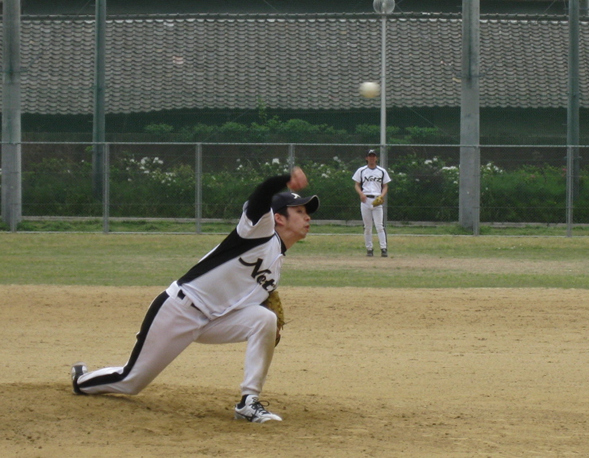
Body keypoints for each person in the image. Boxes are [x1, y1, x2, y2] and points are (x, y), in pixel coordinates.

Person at [70, 167, 319, 424]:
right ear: (278, 218)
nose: (307, 217)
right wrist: (284, 180)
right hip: (180, 309)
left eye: (307, 212)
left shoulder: (276, 266)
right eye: (300, 211)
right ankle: (82, 381)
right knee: (131, 381)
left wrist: (265, 330)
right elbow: (260, 196)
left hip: (214, 321)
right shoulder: (259, 231)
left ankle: (249, 402)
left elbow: (243, 303)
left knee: (265, 319)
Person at [352, 149, 392, 257]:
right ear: (366, 158)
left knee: (379, 226)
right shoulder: (361, 170)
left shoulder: (381, 171)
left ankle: (383, 248)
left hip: (376, 199)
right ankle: (369, 249)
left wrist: (381, 196)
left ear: (376, 158)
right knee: (367, 227)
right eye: (370, 156)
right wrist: (361, 193)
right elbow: (356, 184)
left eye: (373, 156)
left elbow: (385, 186)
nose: (372, 158)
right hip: (365, 199)